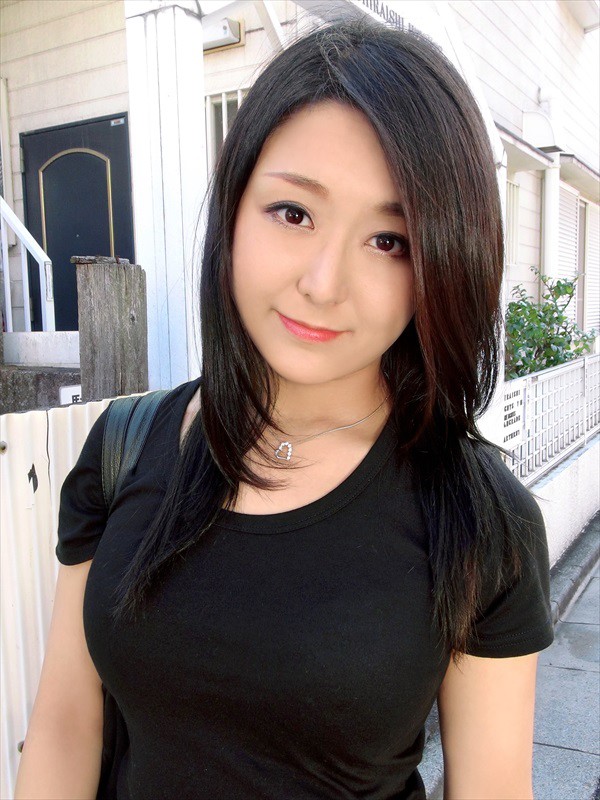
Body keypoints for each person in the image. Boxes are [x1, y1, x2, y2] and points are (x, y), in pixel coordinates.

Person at [15, 16, 554, 800]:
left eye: (390, 241)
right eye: (294, 213)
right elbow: (66, 720)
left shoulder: (480, 518)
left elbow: (493, 789)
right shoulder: (124, 448)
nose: (323, 283)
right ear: (235, 209)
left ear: (442, 263)